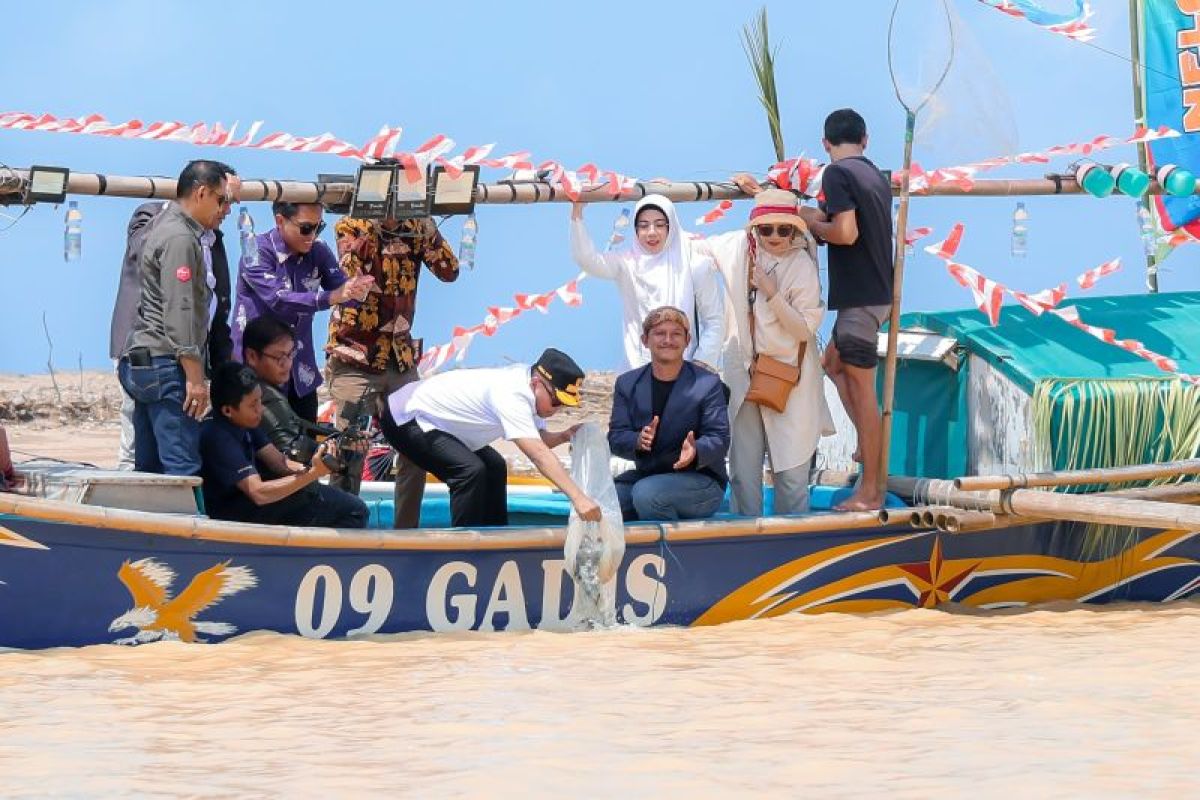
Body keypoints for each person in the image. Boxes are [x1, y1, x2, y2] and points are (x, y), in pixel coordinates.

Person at [738, 108, 893, 510]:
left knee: (864, 395)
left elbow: (844, 232)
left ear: (825, 144)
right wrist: (775, 199)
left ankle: (870, 491)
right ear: (866, 139)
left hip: (859, 300)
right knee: (833, 364)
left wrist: (810, 222)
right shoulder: (874, 174)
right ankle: (864, 444)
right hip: (876, 296)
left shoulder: (838, 175)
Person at [694, 190, 834, 515]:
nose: (774, 236)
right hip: (744, 375)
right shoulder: (738, 249)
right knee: (742, 474)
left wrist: (772, 294)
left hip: (791, 381)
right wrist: (656, 223)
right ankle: (744, 544)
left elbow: (803, 328)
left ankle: (793, 548)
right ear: (754, 228)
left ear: (795, 230)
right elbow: (689, 245)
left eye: (783, 229)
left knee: (792, 474)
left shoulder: (802, 265)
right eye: (766, 228)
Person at [325, 214, 460, 528]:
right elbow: (348, 270)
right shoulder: (352, 225)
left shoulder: (416, 228)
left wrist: (427, 228)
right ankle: (342, 532)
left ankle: (406, 531)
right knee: (349, 449)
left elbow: (449, 271)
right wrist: (376, 225)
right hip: (354, 356)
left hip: (399, 356)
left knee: (417, 446)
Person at [380, 348, 602, 528]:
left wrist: (564, 436)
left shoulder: (531, 389)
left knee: (495, 465)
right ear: (536, 383)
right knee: (469, 471)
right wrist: (578, 498)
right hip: (405, 418)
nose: (557, 410)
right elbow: (538, 454)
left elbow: (539, 439)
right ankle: (463, 546)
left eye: (564, 405)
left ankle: (495, 535)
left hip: (441, 424)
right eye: (556, 401)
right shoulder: (512, 394)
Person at [109, 176, 241, 469]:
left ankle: (148, 514)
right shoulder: (180, 237)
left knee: (149, 466)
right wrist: (195, 378)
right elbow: (180, 309)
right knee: (182, 464)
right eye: (222, 200)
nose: (226, 210)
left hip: (144, 358)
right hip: (165, 363)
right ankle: (190, 516)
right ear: (202, 193)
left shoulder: (170, 229)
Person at [231, 201, 374, 423]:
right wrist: (333, 297)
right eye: (306, 228)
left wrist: (358, 290)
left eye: (319, 227)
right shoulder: (255, 251)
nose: (313, 235)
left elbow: (343, 290)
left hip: (301, 375)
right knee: (266, 451)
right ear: (280, 221)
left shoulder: (318, 250)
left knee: (307, 448)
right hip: (257, 372)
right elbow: (279, 299)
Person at [198, 362, 368, 528]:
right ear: (228, 410)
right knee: (354, 512)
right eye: (253, 404)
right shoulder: (218, 437)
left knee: (336, 500)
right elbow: (259, 493)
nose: (260, 409)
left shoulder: (243, 420)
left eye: (260, 401)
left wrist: (326, 460)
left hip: (251, 502)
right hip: (231, 514)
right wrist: (313, 473)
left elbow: (279, 462)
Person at [570, 194, 724, 371]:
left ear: (671, 227)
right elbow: (587, 260)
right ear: (635, 230)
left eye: (659, 225)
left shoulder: (696, 265)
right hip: (637, 374)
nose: (651, 232)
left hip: (685, 375)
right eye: (643, 226)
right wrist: (577, 214)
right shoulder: (626, 264)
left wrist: (701, 363)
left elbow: (714, 320)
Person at [607, 307, 730, 522]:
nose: (668, 340)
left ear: (687, 340)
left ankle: (671, 553)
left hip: (701, 482)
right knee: (602, 501)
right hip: (648, 478)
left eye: (676, 334)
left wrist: (696, 450)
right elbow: (616, 436)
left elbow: (719, 438)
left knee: (647, 495)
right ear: (645, 340)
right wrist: (637, 440)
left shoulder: (708, 384)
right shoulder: (627, 384)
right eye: (659, 333)